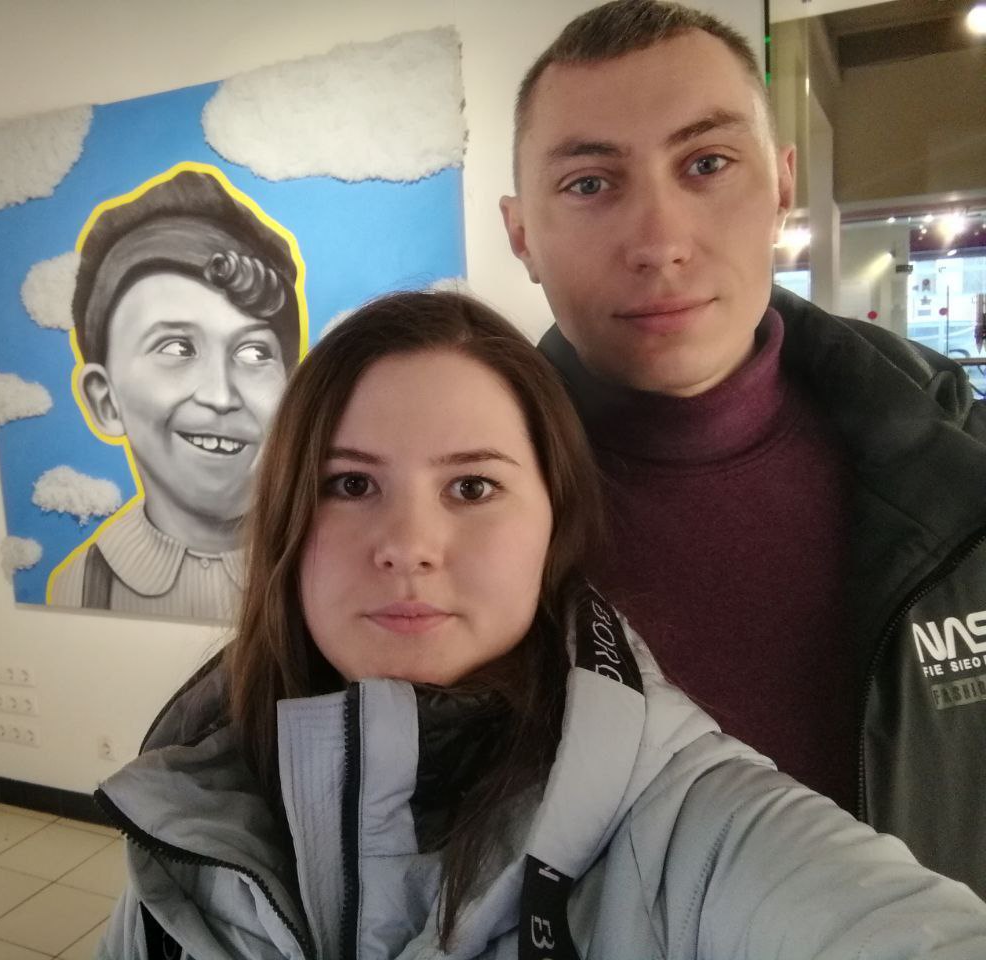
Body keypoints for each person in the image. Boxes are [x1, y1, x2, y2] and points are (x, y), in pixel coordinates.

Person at [93, 290, 986, 960]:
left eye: (472, 486)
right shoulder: (193, 795)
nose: (409, 546)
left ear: (552, 522)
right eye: (351, 484)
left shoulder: (688, 815)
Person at [499, 0, 986, 892]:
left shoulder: (956, 455)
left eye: (708, 164)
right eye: (590, 184)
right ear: (521, 233)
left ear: (782, 186)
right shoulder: (451, 505)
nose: (660, 243)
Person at [47, 165, 305, 621]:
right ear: (106, 401)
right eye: (177, 348)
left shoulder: (322, 567)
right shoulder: (81, 584)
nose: (221, 396)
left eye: (253, 352)